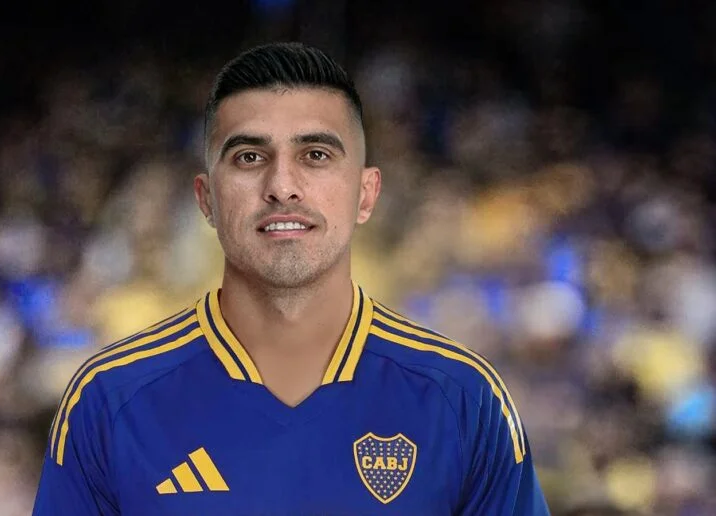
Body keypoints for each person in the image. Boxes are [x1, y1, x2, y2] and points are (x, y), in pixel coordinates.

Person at [33, 42, 550, 515]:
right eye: (249, 157)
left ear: (366, 194)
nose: (282, 186)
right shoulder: (108, 401)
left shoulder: (465, 399)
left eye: (316, 156)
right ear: (206, 199)